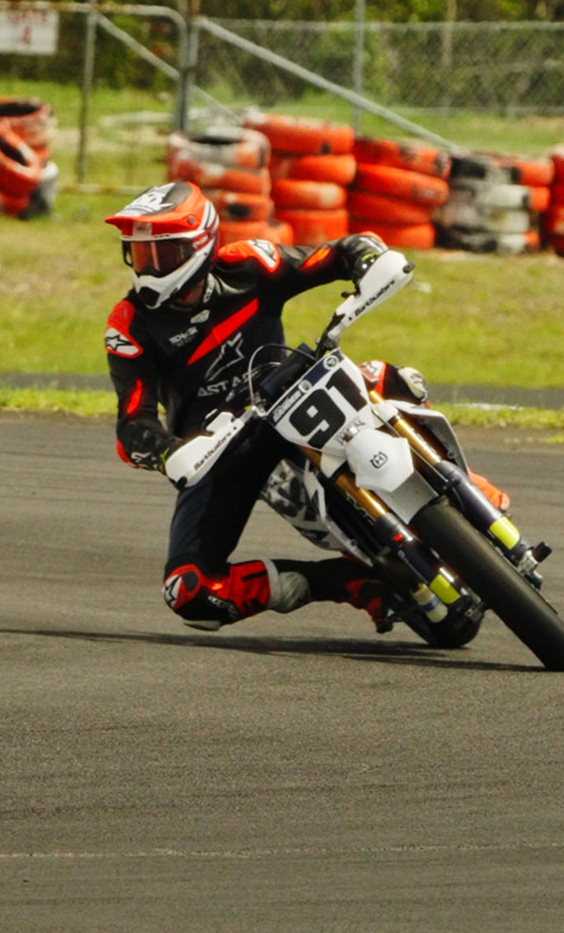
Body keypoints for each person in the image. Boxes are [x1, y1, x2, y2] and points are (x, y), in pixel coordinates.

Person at [104, 179, 433, 633]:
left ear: (200, 245)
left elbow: (333, 254)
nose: (150, 267)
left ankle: (457, 482)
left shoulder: (250, 263)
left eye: (163, 253)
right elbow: (133, 421)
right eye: (141, 255)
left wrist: (367, 258)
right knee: (190, 591)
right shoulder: (130, 325)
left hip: (295, 398)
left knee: (382, 377)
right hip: (219, 450)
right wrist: (166, 451)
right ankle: (343, 581)